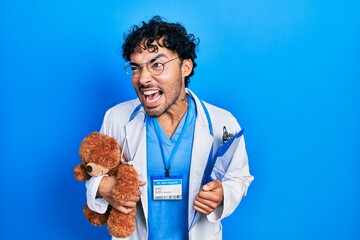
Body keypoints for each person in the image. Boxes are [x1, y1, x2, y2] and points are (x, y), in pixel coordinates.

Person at [86, 16, 254, 240]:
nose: (143, 78)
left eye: (157, 64)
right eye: (136, 68)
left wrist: (224, 194)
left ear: (185, 66)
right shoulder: (117, 118)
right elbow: (94, 171)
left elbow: (239, 178)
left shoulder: (223, 122)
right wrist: (100, 187)